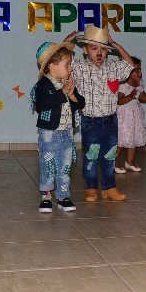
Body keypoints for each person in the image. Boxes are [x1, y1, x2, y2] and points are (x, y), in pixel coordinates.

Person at [63, 25, 135, 202]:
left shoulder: (113, 67)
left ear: (108, 51)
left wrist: (117, 46)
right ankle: (91, 188)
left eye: (103, 48)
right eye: (94, 48)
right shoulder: (79, 67)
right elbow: (62, 61)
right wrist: (66, 42)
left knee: (110, 155)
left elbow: (130, 65)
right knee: (91, 155)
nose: (99, 52)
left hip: (111, 120)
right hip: (90, 121)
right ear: (85, 50)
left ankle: (109, 188)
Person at [31, 42, 85, 213]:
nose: (70, 68)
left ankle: (63, 196)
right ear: (52, 66)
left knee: (65, 165)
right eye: (67, 64)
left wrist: (72, 95)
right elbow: (43, 104)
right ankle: (46, 195)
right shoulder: (43, 85)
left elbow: (80, 103)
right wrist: (62, 93)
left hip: (67, 133)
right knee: (48, 164)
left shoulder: (66, 84)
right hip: (49, 133)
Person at [115, 57, 146, 173]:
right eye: (135, 70)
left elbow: (142, 97)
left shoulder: (139, 83)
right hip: (124, 116)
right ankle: (115, 162)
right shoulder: (123, 85)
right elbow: (119, 101)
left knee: (133, 139)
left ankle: (129, 162)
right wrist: (130, 96)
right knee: (122, 140)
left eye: (140, 69)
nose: (139, 72)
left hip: (135, 114)